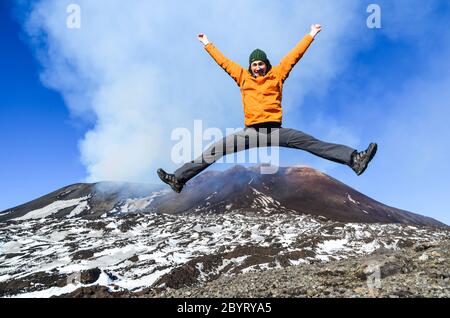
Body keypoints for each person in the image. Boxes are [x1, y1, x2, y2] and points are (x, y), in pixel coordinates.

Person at [158, 24, 377, 193]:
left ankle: (355, 159)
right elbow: (223, 62)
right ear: (250, 66)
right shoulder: (242, 77)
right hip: (251, 132)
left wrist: (310, 35)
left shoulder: (277, 75)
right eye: (254, 64)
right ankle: (178, 179)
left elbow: (294, 57)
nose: (258, 67)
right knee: (216, 149)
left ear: (266, 64)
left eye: (261, 63)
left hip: (276, 131)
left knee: (311, 142)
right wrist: (207, 44)